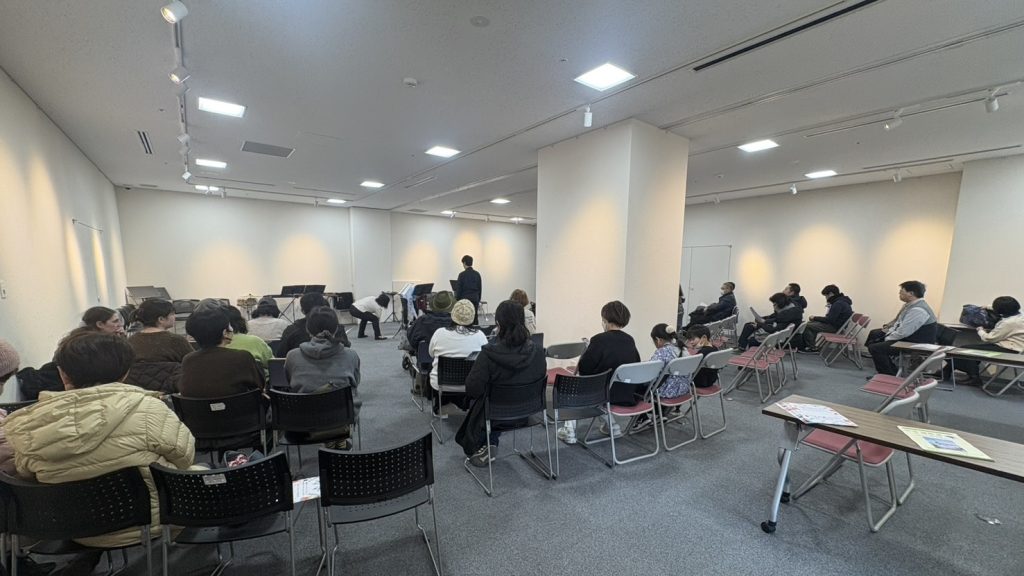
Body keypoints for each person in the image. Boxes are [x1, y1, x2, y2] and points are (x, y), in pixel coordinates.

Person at [4, 331, 194, 569]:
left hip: (66, 527)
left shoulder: (27, 424)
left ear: (63, 374)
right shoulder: (151, 409)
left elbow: (26, 474)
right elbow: (184, 458)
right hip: (148, 522)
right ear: (125, 373)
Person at [457, 300, 547, 467]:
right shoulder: (539, 351)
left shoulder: (488, 354)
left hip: (496, 415)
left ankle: (485, 442)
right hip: (528, 411)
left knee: (479, 401)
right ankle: (491, 441)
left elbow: (472, 388)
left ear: (498, 324)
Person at [284, 306, 361, 449]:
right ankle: (337, 436)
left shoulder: (292, 356)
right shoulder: (351, 355)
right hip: (342, 417)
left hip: (303, 421)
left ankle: (329, 437)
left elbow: (290, 383)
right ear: (336, 329)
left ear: (308, 329)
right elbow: (356, 382)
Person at [569, 301, 642, 441]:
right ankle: (612, 426)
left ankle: (569, 430)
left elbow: (585, 370)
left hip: (604, 395)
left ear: (605, 319)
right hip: (627, 392)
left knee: (572, 384)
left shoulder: (598, 340)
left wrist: (585, 355)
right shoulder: (629, 340)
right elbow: (635, 364)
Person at [180, 307, 265, 397]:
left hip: (198, 406)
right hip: (239, 405)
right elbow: (259, 386)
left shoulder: (188, 360)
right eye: (230, 326)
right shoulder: (242, 357)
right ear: (225, 333)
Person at [865, 280, 938, 376]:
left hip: (916, 344)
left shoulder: (918, 310)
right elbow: (899, 323)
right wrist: (888, 333)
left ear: (911, 294)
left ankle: (888, 375)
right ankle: (891, 371)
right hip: (910, 339)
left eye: (902, 291)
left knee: (876, 348)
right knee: (875, 341)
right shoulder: (910, 305)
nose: (899, 293)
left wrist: (887, 338)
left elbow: (903, 332)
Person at [428, 299, 488, 414]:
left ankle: (441, 405)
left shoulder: (439, 333)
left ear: (453, 314)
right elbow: (484, 359)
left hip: (441, 384)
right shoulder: (480, 336)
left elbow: (431, 354)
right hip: (470, 385)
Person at [956, 296, 1024, 385]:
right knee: (965, 349)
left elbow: (989, 338)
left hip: (1010, 349)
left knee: (966, 350)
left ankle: (974, 378)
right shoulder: (1020, 314)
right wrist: (987, 307)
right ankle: (947, 372)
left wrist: (980, 330)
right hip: (1015, 347)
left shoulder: (1009, 323)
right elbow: (1004, 308)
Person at [278, 293, 351, 356]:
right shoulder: (337, 328)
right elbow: (346, 350)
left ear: (303, 311)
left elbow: (281, 356)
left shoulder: (291, 330)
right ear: (324, 305)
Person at [127, 298, 193, 363]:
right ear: (161, 319)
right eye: (172, 314)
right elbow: (193, 363)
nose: (174, 316)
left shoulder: (130, 341)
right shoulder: (177, 341)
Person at [737, 292, 803, 350]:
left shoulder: (786, 316)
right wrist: (763, 320)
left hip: (777, 339)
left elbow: (773, 329)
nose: (773, 306)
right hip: (776, 335)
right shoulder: (787, 312)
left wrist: (760, 324)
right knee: (749, 326)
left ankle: (742, 347)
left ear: (778, 304)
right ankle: (741, 346)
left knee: (751, 338)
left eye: (774, 304)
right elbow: (774, 318)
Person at [800, 285, 853, 352]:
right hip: (838, 326)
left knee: (808, 326)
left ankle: (811, 347)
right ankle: (811, 346)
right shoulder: (843, 301)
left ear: (831, 294)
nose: (826, 298)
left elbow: (829, 319)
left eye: (826, 296)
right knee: (812, 324)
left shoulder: (838, 304)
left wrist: (814, 318)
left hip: (834, 327)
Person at [222, 305, 274, 372]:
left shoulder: (214, 348)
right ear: (241, 321)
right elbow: (273, 364)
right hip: (258, 378)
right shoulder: (256, 341)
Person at [683, 325, 721, 389]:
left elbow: (690, 367)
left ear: (704, 338)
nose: (691, 342)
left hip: (698, 382)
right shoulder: (715, 348)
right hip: (711, 380)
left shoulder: (702, 353)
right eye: (689, 340)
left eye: (693, 339)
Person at [454, 255, 482, 325]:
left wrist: (458, 300)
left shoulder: (461, 275)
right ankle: (475, 329)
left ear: (464, 263)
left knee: (465, 317)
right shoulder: (477, 274)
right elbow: (480, 288)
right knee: (474, 317)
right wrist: (478, 300)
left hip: (465, 300)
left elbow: (459, 289)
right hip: (475, 299)